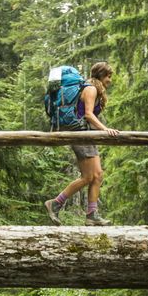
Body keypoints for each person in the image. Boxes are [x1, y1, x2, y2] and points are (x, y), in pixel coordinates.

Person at [45, 61, 120, 226]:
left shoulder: (92, 88)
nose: (110, 80)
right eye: (108, 76)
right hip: (80, 134)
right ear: (101, 75)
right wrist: (106, 130)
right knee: (88, 177)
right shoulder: (91, 89)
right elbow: (87, 114)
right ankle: (55, 203)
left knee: (98, 175)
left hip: (86, 134)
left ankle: (91, 215)